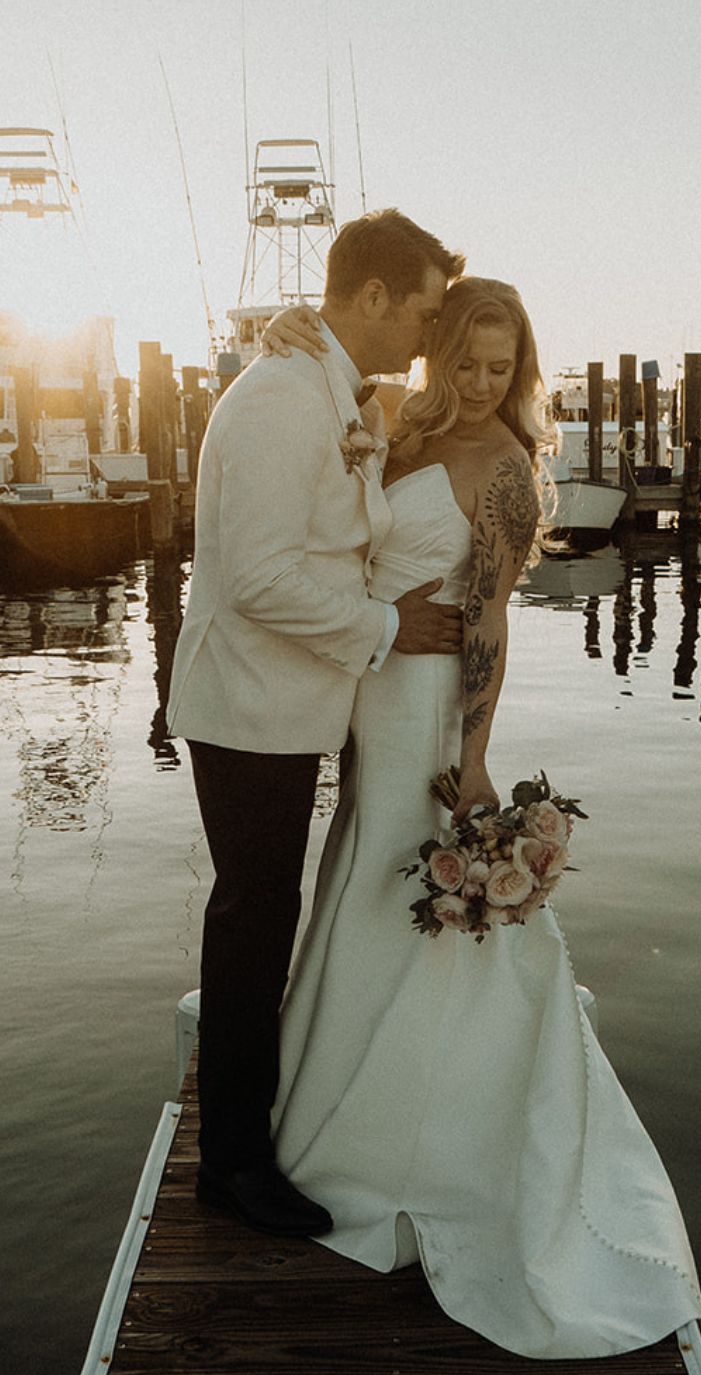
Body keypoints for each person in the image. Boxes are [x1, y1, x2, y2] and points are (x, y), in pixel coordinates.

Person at [259, 280, 701, 1358]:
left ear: (520, 373)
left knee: (402, 889)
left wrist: (469, 760)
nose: (478, 382)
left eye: (499, 368)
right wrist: (281, 332)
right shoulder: (392, 428)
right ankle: (339, 1091)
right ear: (437, 353)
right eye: (465, 360)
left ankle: (424, 1126)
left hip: (423, 712)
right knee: (358, 880)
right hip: (365, 691)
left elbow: (489, 623)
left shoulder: (503, 471)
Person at [165, 209, 466, 1238]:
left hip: (295, 702)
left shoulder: (337, 393)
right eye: (420, 312)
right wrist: (383, 625)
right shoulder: (283, 398)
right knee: (252, 922)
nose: (426, 337)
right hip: (250, 702)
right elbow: (255, 578)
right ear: (372, 297)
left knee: (265, 918)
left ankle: (252, 1132)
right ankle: (233, 1163)